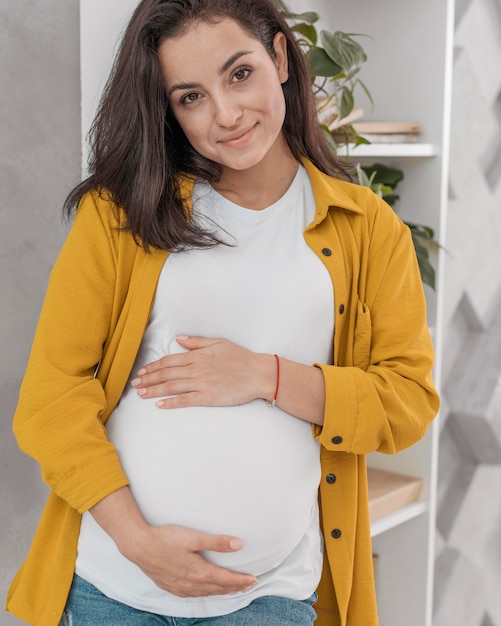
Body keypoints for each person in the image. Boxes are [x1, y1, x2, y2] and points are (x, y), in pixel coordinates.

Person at [6, 0, 439, 624]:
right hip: (118, 591)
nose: (226, 115)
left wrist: (267, 376)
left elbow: (406, 402)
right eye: (191, 97)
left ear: (281, 58)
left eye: (240, 74)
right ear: (169, 108)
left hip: (273, 598)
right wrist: (137, 541)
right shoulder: (118, 215)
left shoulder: (367, 230)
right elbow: (51, 400)